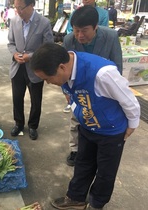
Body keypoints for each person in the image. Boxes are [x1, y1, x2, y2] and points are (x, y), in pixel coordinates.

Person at [30, 42, 140, 210]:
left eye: (47, 79)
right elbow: (74, 97)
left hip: (111, 132)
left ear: (61, 67)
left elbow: (129, 100)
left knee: (105, 172)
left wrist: (132, 125)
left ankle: (96, 205)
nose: (48, 83)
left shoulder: (102, 74)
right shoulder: (67, 70)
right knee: (83, 162)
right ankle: (76, 198)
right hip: (87, 126)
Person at [63, 5, 123, 166]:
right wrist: (66, 91)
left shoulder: (110, 36)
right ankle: (75, 150)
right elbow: (63, 69)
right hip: (79, 88)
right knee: (77, 119)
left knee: (101, 120)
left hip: (103, 89)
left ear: (96, 26)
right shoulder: (69, 40)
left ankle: (96, 150)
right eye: (76, 30)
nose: (80, 35)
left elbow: (117, 64)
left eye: (84, 30)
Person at [7, 0, 54, 140]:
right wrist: (15, 54)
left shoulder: (43, 23)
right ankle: (19, 123)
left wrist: (31, 56)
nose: (18, 11)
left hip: (36, 69)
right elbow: (11, 43)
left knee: (36, 99)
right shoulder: (14, 21)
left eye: (21, 8)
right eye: (16, 8)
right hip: (17, 67)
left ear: (31, 5)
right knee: (17, 98)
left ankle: (33, 126)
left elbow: (48, 47)